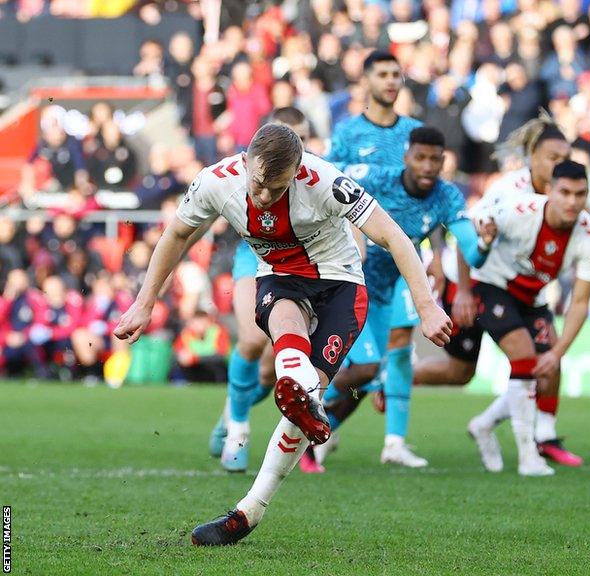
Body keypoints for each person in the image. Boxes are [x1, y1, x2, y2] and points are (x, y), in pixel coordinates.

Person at [113, 123, 451, 546]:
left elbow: (394, 237)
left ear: (297, 171)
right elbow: (177, 234)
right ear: (245, 160)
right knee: (286, 328)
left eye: (277, 187)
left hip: (341, 283)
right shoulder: (217, 182)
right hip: (280, 276)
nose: (265, 196)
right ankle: (301, 396)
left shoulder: (325, 180)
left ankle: (251, 507)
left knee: (298, 408)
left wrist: (426, 306)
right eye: (259, 183)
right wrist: (145, 302)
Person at [411, 115, 590, 467]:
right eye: (552, 157)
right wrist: (463, 291)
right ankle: (395, 379)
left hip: (526, 289)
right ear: (532, 157)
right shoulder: (510, 192)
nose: (560, 165)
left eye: (564, 157)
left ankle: (543, 437)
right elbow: (468, 234)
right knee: (464, 372)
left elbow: (574, 243)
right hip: (481, 282)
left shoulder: (565, 195)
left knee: (546, 362)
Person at [314, 127, 487, 469]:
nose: (426, 166)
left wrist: (485, 242)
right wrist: (348, 230)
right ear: (406, 157)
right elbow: (325, 172)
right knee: (364, 368)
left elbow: (473, 252)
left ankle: (380, 439)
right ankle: (309, 415)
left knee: (379, 363)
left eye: (434, 160)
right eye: (420, 158)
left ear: (443, 162)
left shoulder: (447, 196)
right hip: (349, 281)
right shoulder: (376, 177)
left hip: (392, 286)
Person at [324, 50, 439, 468]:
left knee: (403, 342)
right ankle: (320, 421)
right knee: (363, 365)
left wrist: (437, 253)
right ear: (367, 82)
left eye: (397, 74)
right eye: (383, 74)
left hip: (406, 257)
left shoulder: (415, 134)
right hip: (359, 262)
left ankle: (394, 443)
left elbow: (433, 195)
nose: (391, 81)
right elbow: (329, 192)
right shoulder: (348, 135)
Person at [467, 160, 590, 476]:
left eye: (580, 194)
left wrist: (558, 353)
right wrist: (462, 289)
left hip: (532, 298)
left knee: (547, 370)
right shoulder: (519, 210)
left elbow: (581, 302)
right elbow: (467, 231)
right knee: (525, 357)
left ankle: (484, 424)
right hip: (491, 283)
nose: (572, 201)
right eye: (565, 192)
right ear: (550, 191)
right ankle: (529, 455)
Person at [208, 107, 315, 473]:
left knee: (270, 374)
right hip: (252, 258)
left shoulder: (315, 176)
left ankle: (229, 413)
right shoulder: (247, 169)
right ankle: (238, 431)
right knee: (252, 341)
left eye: (299, 136)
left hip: (296, 268)